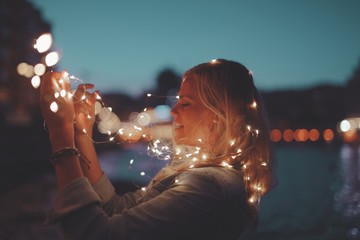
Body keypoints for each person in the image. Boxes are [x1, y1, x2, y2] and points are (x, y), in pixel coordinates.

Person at [40, 59, 273, 240]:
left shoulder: (210, 185)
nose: (173, 112)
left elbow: (95, 235)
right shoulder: (198, 173)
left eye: (185, 104)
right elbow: (115, 209)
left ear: (220, 115)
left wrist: (59, 132)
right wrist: (81, 132)